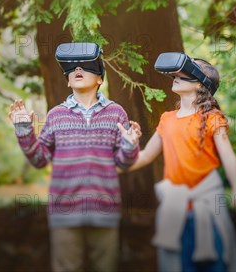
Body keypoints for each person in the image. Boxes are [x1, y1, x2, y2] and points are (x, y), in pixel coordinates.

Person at [8, 42, 141, 272]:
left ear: (100, 78)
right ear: (68, 80)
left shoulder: (116, 113)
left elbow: (124, 162)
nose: (77, 69)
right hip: (64, 212)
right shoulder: (56, 115)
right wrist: (23, 130)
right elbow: (39, 159)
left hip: (104, 209)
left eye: (86, 66)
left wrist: (130, 145)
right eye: (72, 68)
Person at [127, 54, 236, 272]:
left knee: (215, 265)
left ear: (200, 83)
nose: (176, 75)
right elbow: (145, 156)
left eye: (187, 71)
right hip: (175, 210)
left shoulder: (212, 117)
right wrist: (110, 165)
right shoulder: (167, 119)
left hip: (206, 208)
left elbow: (228, 156)